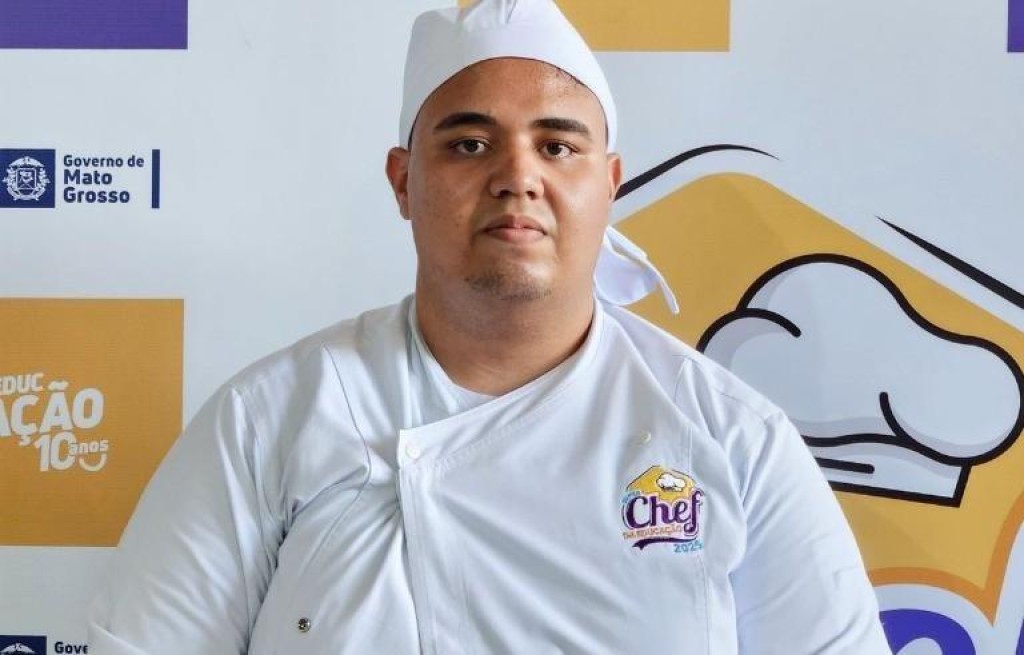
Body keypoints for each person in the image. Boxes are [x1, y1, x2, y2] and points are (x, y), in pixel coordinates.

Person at [88, 1, 892, 653]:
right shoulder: (270, 419)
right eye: (470, 144)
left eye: (558, 146)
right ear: (404, 181)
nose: (517, 176)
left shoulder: (731, 438)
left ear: (610, 183)